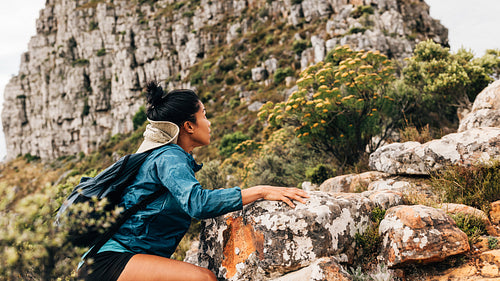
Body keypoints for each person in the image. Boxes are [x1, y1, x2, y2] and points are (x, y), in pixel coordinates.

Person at [78, 81, 309, 281]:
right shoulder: (169, 156)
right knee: (203, 278)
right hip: (110, 262)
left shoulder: (170, 157)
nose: (209, 123)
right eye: (204, 115)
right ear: (188, 126)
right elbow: (197, 203)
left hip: (113, 262)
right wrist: (260, 191)